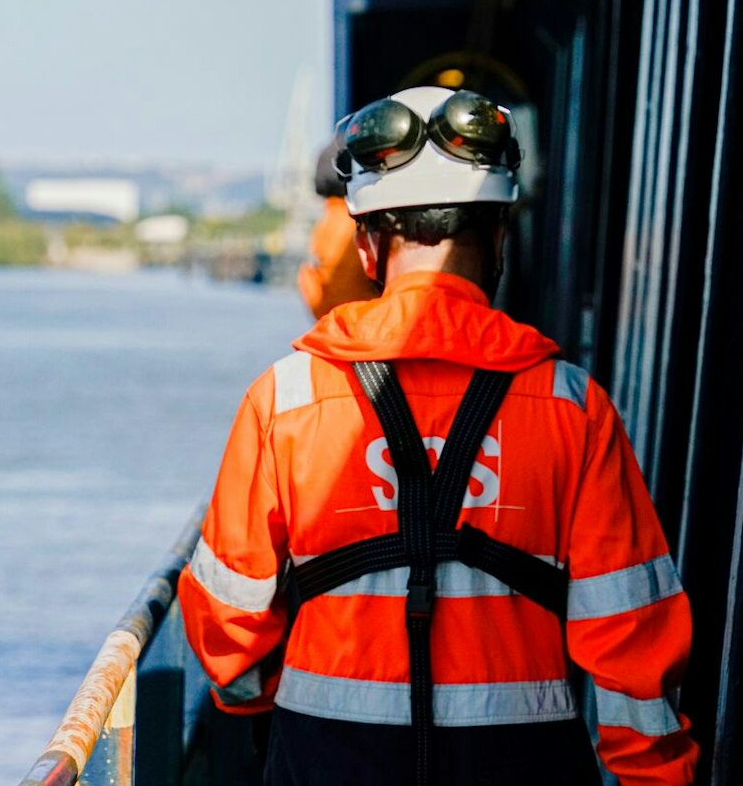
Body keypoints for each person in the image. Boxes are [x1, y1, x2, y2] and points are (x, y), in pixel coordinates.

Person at [177, 86, 697, 785]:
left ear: (367, 246)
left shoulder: (285, 400)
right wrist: (653, 774)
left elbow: (227, 621)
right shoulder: (572, 407)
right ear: (500, 238)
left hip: (326, 758)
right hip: (522, 765)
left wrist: (271, 706)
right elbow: (630, 631)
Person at [296, 139, 378, 318]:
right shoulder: (361, 223)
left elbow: (310, 284)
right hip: (363, 321)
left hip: (333, 324)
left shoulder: (323, 226)